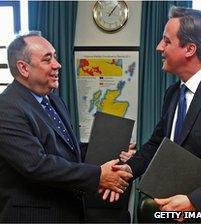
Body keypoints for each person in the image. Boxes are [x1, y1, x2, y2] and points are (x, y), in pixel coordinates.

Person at [102, 6, 201, 222]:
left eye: (167, 41)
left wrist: (195, 201)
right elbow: (158, 144)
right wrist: (126, 170)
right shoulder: (173, 93)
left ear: (190, 49)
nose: (159, 47)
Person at [0, 32, 132, 223]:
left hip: (68, 212)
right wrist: (98, 176)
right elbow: (36, 165)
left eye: (55, 56)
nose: (57, 64)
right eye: (47, 59)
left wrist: (114, 153)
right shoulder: (6, 107)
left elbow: (67, 150)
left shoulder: (53, 100)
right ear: (24, 68)